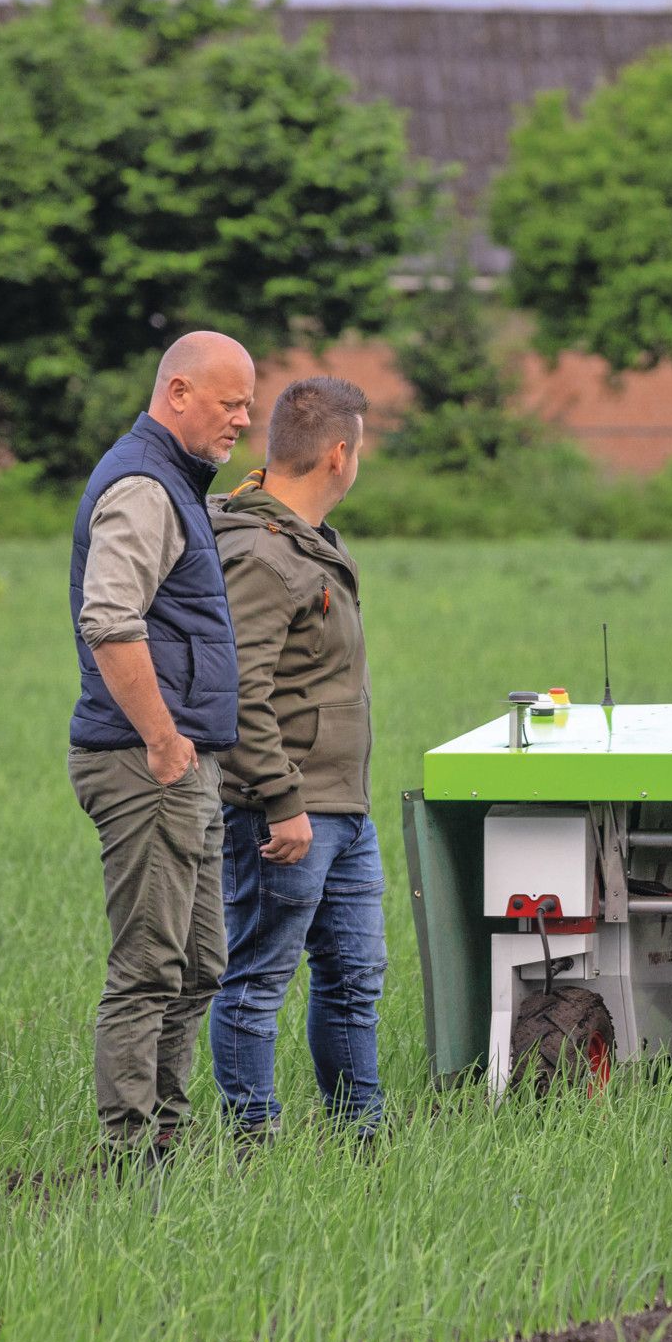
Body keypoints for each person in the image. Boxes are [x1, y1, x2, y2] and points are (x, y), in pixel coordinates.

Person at [68, 331, 256, 1164]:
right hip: (146, 762)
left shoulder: (178, 483)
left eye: (248, 405)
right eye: (230, 403)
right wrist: (164, 739)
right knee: (150, 963)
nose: (243, 420)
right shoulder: (144, 485)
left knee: (199, 961)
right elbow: (109, 619)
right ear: (178, 392)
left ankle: (169, 1135)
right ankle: (128, 1153)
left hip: (183, 761)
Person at [206, 377, 387, 1143]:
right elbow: (236, 691)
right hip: (286, 813)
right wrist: (281, 799)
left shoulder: (312, 542)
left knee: (354, 980)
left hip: (344, 806)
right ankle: (254, 1145)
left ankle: (362, 1142)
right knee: (257, 982)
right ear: (339, 453)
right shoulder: (259, 551)